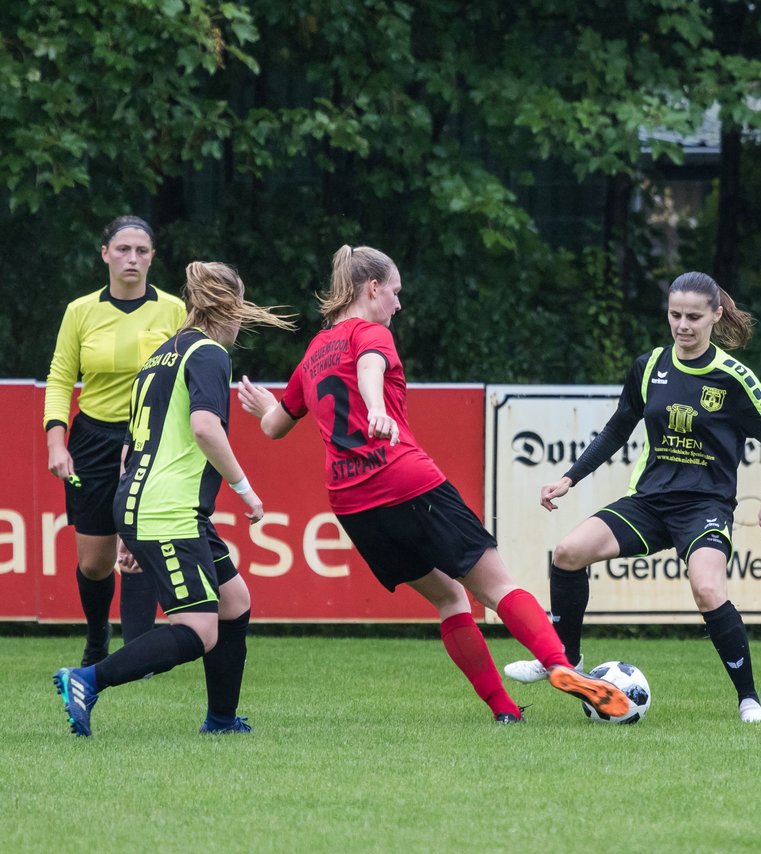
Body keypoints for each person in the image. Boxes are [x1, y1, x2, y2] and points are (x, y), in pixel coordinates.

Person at [236, 245, 629, 724]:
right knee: (499, 587)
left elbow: (276, 426)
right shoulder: (371, 332)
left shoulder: (314, 352)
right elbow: (369, 367)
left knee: (448, 598)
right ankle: (561, 666)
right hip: (405, 480)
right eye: (395, 292)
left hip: (352, 505)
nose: (398, 304)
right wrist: (377, 410)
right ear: (373, 288)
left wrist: (261, 408)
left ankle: (504, 709)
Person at [503, 271, 761, 723]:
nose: (683, 325)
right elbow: (619, 427)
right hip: (650, 501)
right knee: (567, 552)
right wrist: (570, 477)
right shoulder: (650, 365)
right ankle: (565, 659)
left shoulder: (734, 377)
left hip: (705, 507)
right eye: (675, 314)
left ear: (716, 315)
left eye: (694, 316)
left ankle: (748, 698)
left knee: (707, 588)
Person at [53, 261, 295, 736]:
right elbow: (205, 428)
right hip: (168, 510)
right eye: (240, 308)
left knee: (234, 600)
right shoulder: (207, 354)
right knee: (201, 629)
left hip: (147, 503)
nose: (242, 320)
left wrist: (127, 526)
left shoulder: (161, 355)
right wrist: (246, 490)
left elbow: (130, 448)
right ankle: (86, 679)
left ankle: (221, 720)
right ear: (228, 307)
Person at [44, 215, 187, 664]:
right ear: (105, 253)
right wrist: (56, 441)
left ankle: (139, 651)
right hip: (94, 438)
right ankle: (97, 633)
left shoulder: (174, 311)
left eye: (142, 251)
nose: (132, 258)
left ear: (152, 258)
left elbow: (186, 375)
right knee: (95, 562)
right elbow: (61, 378)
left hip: (151, 438)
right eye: (123, 249)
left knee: (143, 542)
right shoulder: (80, 311)